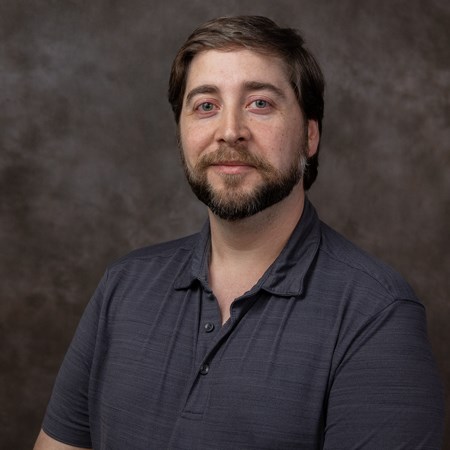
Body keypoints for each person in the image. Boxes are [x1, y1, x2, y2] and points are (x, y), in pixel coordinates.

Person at [34, 15, 444, 449]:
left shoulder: (376, 313)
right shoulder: (123, 286)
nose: (230, 131)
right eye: (206, 105)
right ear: (182, 132)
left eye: (260, 103)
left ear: (309, 135)